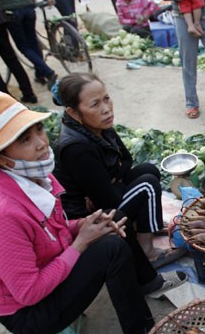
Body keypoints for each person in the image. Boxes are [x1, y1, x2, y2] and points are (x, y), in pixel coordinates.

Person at [0, 90, 158, 334]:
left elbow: (55, 230)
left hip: (48, 268)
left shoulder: (41, 178)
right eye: (25, 140)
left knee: (112, 218)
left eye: (38, 130)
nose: (41, 142)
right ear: (0, 159)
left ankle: (147, 282)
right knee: (110, 249)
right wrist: (81, 243)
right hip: (29, 312)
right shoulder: (1, 216)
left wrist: (82, 224)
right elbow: (28, 293)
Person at [52, 73, 183, 272]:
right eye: (94, 104)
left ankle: (145, 228)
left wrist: (109, 178)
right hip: (89, 216)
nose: (106, 109)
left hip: (102, 194)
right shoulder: (75, 147)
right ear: (73, 112)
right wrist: (110, 179)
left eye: (106, 99)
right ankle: (147, 251)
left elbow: (127, 159)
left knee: (148, 169)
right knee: (147, 184)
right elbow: (108, 200)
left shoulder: (98, 126)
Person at [0, 0, 58, 88]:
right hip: (27, 5)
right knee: (33, 43)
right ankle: (40, 73)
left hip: (10, 9)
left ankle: (48, 72)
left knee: (24, 47)